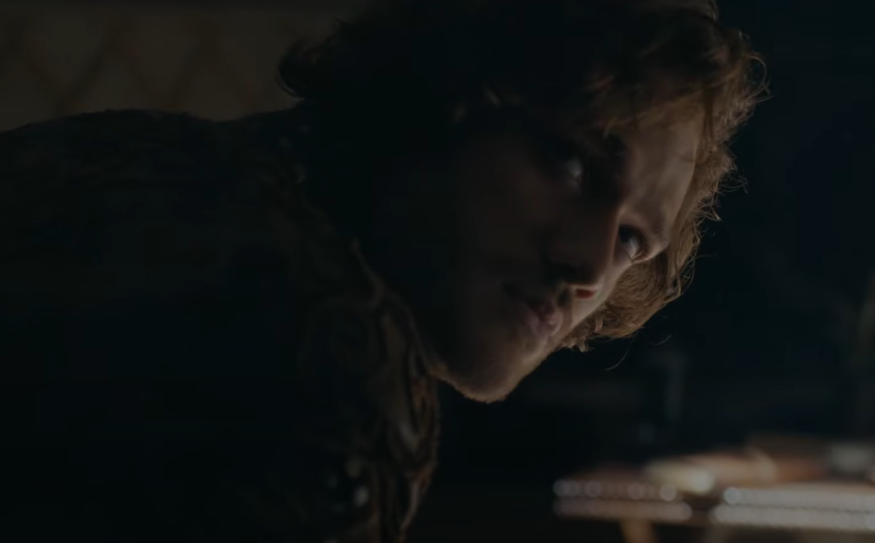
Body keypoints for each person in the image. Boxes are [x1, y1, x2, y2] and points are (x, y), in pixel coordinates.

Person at [0, 0, 762, 541]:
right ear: (446, 94)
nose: (588, 265)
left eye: (631, 240)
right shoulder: (325, 345)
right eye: (569, 161)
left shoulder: (122, 145)